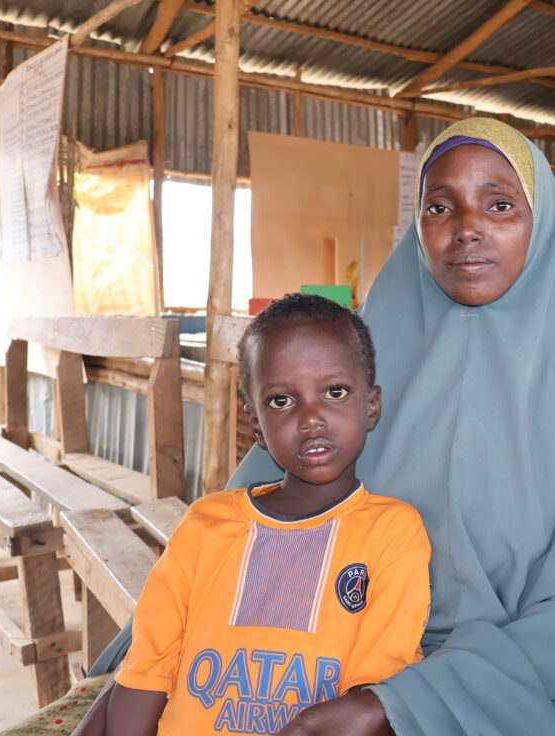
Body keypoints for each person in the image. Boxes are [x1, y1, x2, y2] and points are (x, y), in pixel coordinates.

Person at [74, 118, 555, 736]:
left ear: (541, 221)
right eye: (440, 208)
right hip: (345, 642)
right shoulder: (370, 348)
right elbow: (260, 507)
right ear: (416, 227)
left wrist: (404, 703)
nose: (467, 229)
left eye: (499, 205)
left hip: (522, 679)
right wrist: (155, 652)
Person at [104, 294, 431, 735]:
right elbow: (146, 671)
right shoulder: (207, 524)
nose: (311, 418)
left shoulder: (392, 531)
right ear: (256, 424)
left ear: (371, 405)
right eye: (281, 401)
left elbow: (375, 696)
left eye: (335, 392)